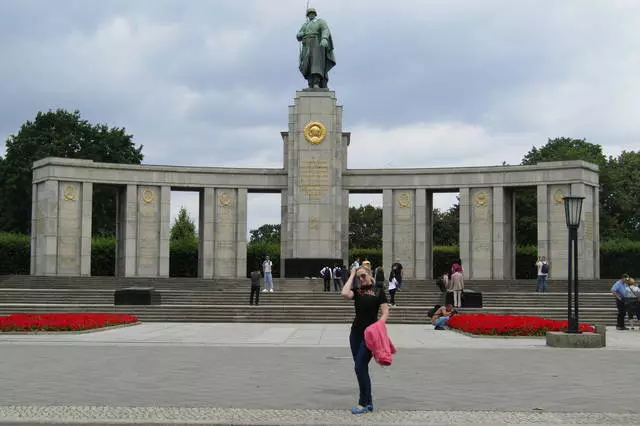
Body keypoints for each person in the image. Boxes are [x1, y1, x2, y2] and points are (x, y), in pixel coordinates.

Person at [341, 265, 390, 415]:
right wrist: (352, 275)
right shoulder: (357, 291)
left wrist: (378, 326)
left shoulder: (378, 292)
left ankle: (362, 403)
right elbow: (344, 293)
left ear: (369, 275)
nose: (361, 279)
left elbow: (385, 311)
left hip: (370, 335)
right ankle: (369, 402)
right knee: (361, 368)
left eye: (363, 276)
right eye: (358, 277)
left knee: (359, 367)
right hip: (355, 333)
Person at [296, 8, 336, 89]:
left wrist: (324, 38)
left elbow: (325, 30)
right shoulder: (305, 25)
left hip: (316, 43)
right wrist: (299, 34)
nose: (311, 15)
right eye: (309, 13)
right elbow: (299, 35)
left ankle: (316, 83)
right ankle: (310, 83)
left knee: (316, 64)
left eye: (312, 13)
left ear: (315, 14)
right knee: (307, 64)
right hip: (306, 45)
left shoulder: (320, 22)